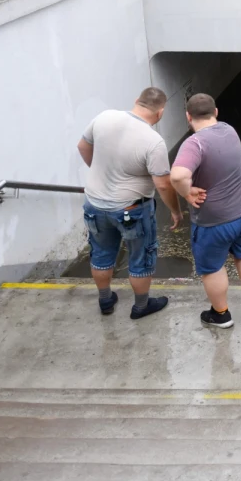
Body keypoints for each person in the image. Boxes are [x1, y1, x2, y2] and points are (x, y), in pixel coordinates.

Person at [77, 87, 182, 319]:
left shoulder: (103, 117)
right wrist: (176, 211)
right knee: (141, 257)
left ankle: (105, 300)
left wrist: (101, 172)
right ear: (160, 112)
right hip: (132, 209)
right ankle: (141, 306)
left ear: (137, 101)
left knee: (101, 253)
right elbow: (163, 185)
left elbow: (83, 146)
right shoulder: (154, 141)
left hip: (94, 204)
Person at [171, 93, 241, 329]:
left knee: (212, 268)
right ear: (216, 112)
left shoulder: (194, 143)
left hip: (214, 222)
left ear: (188, 117)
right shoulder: (229, 130)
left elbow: (177, 176)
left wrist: (186, 192)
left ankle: (221, 314)